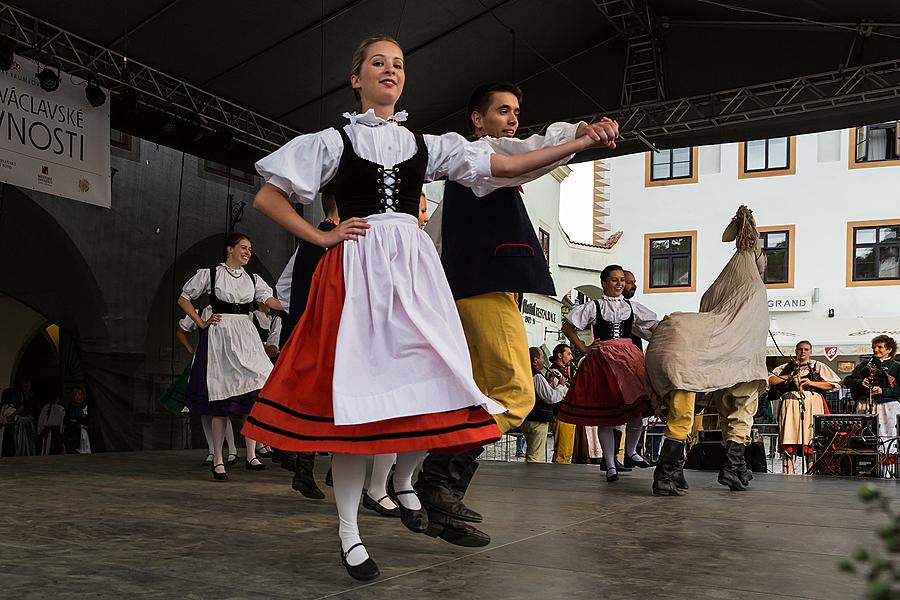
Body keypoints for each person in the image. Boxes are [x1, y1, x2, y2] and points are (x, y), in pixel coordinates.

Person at [241, 36, 615, 581]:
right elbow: (268, 196)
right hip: (358, 271)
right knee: (358, 401)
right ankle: (350, 531)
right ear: (357, 78)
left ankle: (407, 483)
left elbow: (506, 165)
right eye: (378, 63)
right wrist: (320, 239)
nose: (389, 71)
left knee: (448, 378)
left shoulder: (427, 144)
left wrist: (572, 145)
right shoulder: (333, 141)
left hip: (414, 275)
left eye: (397, 64)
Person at [417, 81, 619, 546]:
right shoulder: (483, 155)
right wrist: (582, 135)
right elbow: (536, 148)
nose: (512, 117)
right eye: (503, 109)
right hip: (484, 291)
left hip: (482, 291)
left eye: (515, 110)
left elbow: (434, 241)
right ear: (477, 119)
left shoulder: (465, 182)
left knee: (477, 395)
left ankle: (441, 498)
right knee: (515, 396)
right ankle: (437, 479)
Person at [646, 206, 769, 495]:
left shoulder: (715, 289)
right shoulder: (753, 288)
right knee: (740, 410)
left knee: (688, 414)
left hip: (692, 352)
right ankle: (726, 467)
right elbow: (750, 332)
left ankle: (678, 473)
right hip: (732, 360)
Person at [178, 232, 284, 481]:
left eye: (250, 248)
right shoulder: (211, 274)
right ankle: (218, 459)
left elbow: (270, 301)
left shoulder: (253, 279)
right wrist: (201, 322)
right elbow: (184, 298)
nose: (248, 252)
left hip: (246, 336)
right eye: (243, 247)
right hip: (220, 336)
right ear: (230, 249)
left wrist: (293, 302)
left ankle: (251, 453)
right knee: (220, 396)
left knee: (261, 382)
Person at [557, 265, 658, 482]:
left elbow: (653, 326)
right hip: (603, 359)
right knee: (607, 415)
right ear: (604, 282)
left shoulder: (631, 307)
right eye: (615, 280)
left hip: (629, 358)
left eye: (622, 280)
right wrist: (583, 348)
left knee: (637, 408)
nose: (620, 284)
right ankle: (610, 464)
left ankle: (631, 451)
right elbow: (568, 326)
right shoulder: (595, 306)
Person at [170, 307, 240, 466]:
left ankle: (232, 450)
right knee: (204, 409)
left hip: (223, 362)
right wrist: (191, 349)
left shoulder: (230, 310)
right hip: (203, 362)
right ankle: (212, 450)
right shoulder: (199, 311)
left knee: (221, 407)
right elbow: (181, 332)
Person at [768, 340, 841, 474]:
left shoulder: (817, 365)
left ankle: (811, 472)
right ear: (796, 351)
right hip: (791, 402)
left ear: (810, 351)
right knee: (789, 436)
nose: (803, 352)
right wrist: (789, 377)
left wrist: (811, 382)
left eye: (806, 349)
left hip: (812, 402)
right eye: (800, 349)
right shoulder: (786, 366)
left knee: (811, 437)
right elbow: (771, 379)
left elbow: (833, 384)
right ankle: (788, 473)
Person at [844, 335, 900, 471]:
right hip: (865, 404)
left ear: (889, 349)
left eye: (880, 347)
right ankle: (867, 469)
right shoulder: (865, 365)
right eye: (874, 347)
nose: (876, 350)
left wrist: (883, 391)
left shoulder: (896, 366)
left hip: (889, 406)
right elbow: (847, 380)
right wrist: (860, 382)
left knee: (888, 437)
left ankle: (888, 471)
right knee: (865, 437)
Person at [520, 347, 567, 462]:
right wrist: (561, 385)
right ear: (535, 360)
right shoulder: (537, 376)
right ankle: (532, 477)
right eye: (542, 358)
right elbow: (550, 397)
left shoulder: (526, 373)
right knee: (535, 455)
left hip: (528, 418)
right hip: (537, 421)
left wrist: (549, 381)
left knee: (532, 451)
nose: (543, 361)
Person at [548, 344, 576, 464]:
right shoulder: (555, 371)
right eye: (568, 354)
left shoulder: (563, 371)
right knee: (562, 451)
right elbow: (562, 394)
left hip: (567, 414)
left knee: (567, 450)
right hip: (561, 414)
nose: (571, 357)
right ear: (560, 355)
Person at [13, 379, 38, 456]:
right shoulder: (18, 396)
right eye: (24, 386)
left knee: (30, 441)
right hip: (20, 423)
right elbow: (19, 407)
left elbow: (33, 409)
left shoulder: (33, 396)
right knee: (20, 440)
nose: (26, 388)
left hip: (30, 422)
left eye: (27, 386)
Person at [64, 387, 93, 454]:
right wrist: (77, 424)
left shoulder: (87, 406)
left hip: (85, 434)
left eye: (80, 394)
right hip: (73, 436)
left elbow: (89, 420)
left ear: (83, 395)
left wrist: (85, 425)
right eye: (76, 395)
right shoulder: (71, 407)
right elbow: (67, 420)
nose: (78, 396)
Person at [0, 388, 17, 457]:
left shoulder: (6, 407)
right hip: (6, 430)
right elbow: (8, 419)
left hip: (6, 430)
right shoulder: (6, 407)